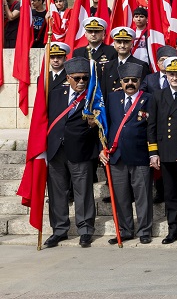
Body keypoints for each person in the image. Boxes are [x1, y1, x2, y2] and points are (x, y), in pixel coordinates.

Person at [43, 57, 99, 248]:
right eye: (77, 78)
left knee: (83, 191)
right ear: (68, 78)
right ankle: (59, 230)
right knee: (57, 192)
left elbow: (102, 126)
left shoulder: (93, 97)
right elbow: (44, 120)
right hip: (56, 150)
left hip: (81, 150)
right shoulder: (55, 94)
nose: (82, 82)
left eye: (85, 78)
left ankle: (85, 230)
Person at [147, 56, 177, 245]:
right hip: (166, 151)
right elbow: (151, 126)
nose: (174, 78)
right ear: (165, 75)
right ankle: (172, 229)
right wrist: (153, 152)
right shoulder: (157, 96)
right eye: (171, 74)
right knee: (169, 193)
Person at [101, 64, 153, 244]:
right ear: (120, 82)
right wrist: (103, 148)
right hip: (117, 156)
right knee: (120, 196)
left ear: (140, 81)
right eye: (126, 80)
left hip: (140, 155)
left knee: (143, 196)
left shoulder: (148, 99)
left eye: (134, 80)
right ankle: (125, 230)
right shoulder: (112, 98)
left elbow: (152, 128)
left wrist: (153, 153)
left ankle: (145, 230)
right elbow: (105, 126)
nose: (130, 83)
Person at [101, 27, 151, 101]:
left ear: (132, 44)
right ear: (114, 44)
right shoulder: (108, 66)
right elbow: (104, 91)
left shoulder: (141, 65)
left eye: (126, 42)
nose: (122, 45)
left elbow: (144, 90)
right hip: (112, 106)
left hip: (131, 105)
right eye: (119, 42)